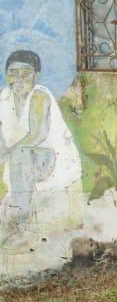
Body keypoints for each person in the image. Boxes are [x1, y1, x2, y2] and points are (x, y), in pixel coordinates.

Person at [0, 50, 84, 245]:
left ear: (36, 76)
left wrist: (7, 154)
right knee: (19, 156)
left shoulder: (39, 96)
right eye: (13, 72)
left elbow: (37, 135)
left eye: (25, 73)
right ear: (6, 75)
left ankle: (22, 229)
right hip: (22, 160)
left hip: (53, 160)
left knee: (21, 155)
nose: (19, 79)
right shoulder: (3, 98)